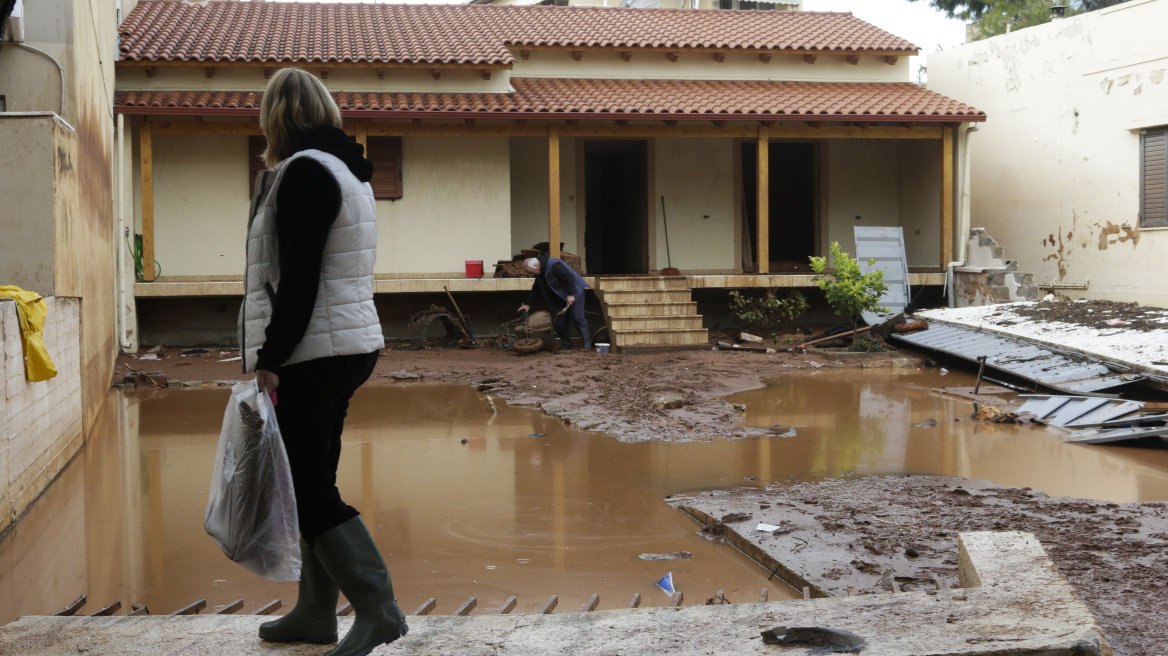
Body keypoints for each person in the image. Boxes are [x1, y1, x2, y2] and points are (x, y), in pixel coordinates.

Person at [241, 68, 407, 656]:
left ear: (277, 116)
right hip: (348, 344)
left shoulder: (305, 173)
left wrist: (270, 357)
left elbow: (301, 278)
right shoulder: (345, 170)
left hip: (313, 351)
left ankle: (378, 609)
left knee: (310, 490)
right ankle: (315, 612)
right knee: (313, 482)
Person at [517, 253, 592, 350]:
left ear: (536, 265)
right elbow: (536, 288)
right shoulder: (539, 273)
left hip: (574, 292)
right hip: (559, 297)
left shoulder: (553, 264)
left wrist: (570, 294)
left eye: (532, 271)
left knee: (578, 317)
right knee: (559, 321)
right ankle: (567, 346)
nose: (532, 274)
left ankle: (587, 346)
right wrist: (528, 304)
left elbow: (569, 278)